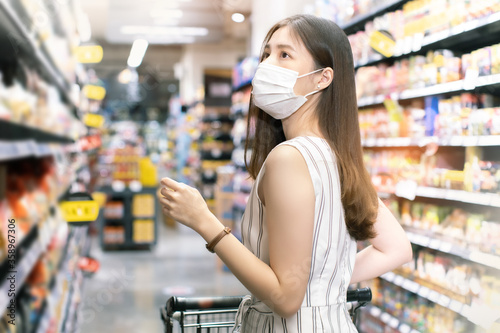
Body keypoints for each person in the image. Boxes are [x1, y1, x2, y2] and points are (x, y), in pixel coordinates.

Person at [159, 14, 413, 332]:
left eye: (284, 54)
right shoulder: (337, 157)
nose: (266, 65)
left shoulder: (289, 159)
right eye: (266, 54)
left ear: (322, 78)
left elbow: (284, 298)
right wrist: (320, 284)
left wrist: (204, 222)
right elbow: (397, 248)